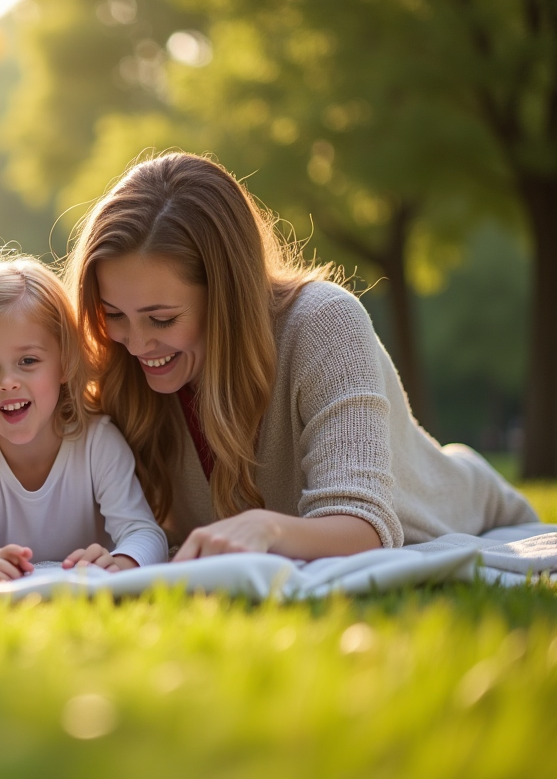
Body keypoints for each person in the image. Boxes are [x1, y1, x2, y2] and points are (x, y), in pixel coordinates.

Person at [65, 151, 538, 561]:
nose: (138, 343)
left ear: (228, 295)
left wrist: (267, 528)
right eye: (113, 314)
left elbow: (364, 526)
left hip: (464, 511)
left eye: (162, 319)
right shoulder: (119, 360)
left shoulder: (324, 322)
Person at [0, 254, 168, 581]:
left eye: (28, 360)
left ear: (64, 363)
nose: (8, 382)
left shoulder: (97, 441)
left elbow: (146, 534)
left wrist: (120, 563)